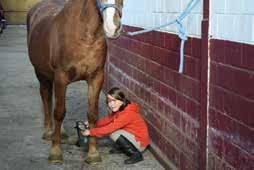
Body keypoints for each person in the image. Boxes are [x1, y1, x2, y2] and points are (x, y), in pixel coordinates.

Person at [82, 87, 150, 164]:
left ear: (122, 100)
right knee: (115, 130)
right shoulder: (121, 108)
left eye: (114, 101)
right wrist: (93, 124)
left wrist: (91, 132)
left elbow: (109, 128)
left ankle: (136, 154)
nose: (111, 104)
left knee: (114, 133)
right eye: (109, 101)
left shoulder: (127, 114)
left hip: (140, 143)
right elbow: (107, 120)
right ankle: (123, 148)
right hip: (133, 135)